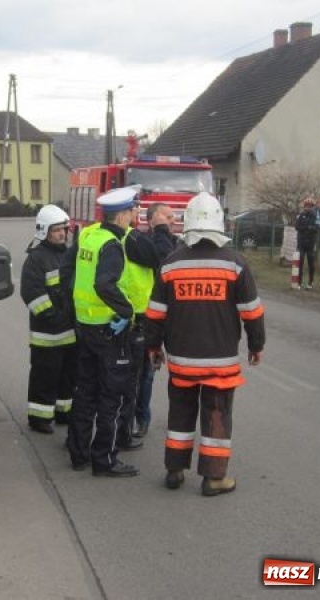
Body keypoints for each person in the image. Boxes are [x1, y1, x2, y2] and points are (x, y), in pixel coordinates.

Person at [145, 192, 265, 497]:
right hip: (220, 362)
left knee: (180, 412)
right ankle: (213, 478)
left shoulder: (170, 265)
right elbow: (251, 312)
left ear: (187, 224)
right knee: (217, 415)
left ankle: (174, 470)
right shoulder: (235, 264)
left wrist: (153, 347)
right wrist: (256, 345)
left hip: (182, 360)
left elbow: (156, 313)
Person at [66, 186, 154, 477]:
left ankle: (78, 454)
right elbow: (104, 284)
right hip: (108, 331)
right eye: (131, 211)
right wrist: (127, 311)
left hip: (85, 325)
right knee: (112, 396)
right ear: (121, 215)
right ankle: (104, 460)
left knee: (85, 392)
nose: (133, 215)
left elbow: (76, 276)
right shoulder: (113, 245)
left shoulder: (90, 236)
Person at [20, 205, 78, 434]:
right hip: (47, 335)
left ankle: (64, 412)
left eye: (64, 229)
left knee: (68, 377)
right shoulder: (36, 260)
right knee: (45, 377)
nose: (62, 234)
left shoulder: (68, 255)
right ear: (44, 232)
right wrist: (54, 317)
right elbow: (32, 294)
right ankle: (39, 418)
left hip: (70, 333)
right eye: (56, 230)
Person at [133, 203, 179, 438]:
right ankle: (140, 418)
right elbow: (164, 262)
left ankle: (178, 419)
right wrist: (161, 232)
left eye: (173, 217)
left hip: (170, 319)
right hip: (147, 317)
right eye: (167, 217)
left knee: (169, 372)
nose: (173, 221)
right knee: (144, 374)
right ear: (152, 221)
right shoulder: (144, 241)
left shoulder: (177, 242)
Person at [294, 197, 318, 290]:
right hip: (301, 242)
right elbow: (297, 226)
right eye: (306, 206)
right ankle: (299, 282)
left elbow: (316, 228)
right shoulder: (301, 215)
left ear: (312, 207)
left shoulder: (315, 216)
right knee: (300, 262)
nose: (308, 207)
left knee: (311, 262)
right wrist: (307, 227)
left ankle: (310, 282)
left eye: (310, 206)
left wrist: (307, 228)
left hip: (310, 243)